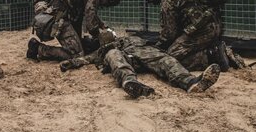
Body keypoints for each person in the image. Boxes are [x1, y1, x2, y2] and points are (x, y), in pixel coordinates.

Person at [59, 33, 221, 99]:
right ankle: (131, 83)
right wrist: (71, 63)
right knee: (114, 56)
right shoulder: (105, 50)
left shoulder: (132, 39)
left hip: (141, 52)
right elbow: (86, 59)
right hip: (125, 61)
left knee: (164, 59)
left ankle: (191, 83)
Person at [142, 0, 245, 71]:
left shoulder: (167, 0)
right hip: (215, 27)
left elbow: (169, 34)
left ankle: (212, 56)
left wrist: (158, 47)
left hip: (201, 32)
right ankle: (218, 51)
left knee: (169, 59)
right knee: (180, 48)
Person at [26, 0, 122, 62]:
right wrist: (102, 37)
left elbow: (92, 15)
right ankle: (38, 48)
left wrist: (103, 26)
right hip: (60, 19)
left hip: (64, 17)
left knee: (82, 45)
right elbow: (91, 25)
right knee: (76, 55)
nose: (105, 5)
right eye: (108, 3)